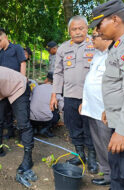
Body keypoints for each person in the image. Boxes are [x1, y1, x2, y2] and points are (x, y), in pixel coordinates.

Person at [50, 15, 98, 174]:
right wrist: (54, 94)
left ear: (87, 29)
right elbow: (58, 73)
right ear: (69, 31)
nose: (78, 32)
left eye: (81, 28)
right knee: (72, 125)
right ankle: (80, 154)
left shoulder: (96, 44)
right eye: (74, 29)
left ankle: (92, 156)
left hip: (90, 97)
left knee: (90, 127)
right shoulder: (63, 48)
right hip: (70, 95)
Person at [90, 0, 124, 189]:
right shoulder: (117, 46)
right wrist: (110, 109)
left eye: (99, 25)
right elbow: (119, 85)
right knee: (116, 172)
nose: (97, 31)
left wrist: (123, 131)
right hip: (119, 122)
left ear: (115, 19)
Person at [80, 29, 113, 186]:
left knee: (110, 145)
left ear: (104, 37)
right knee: (99, 144)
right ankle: (108, 175)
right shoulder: (97, 55)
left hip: (105, 111)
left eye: (94, 36)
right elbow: (91, 80)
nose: (91, 39)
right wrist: (84, 102)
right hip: (92, 109)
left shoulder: (113, 55)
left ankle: (117, 178)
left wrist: (110, 107)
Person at [0, 28, 27, 139]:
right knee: (7, 111)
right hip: (4, 88)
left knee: (20, 111)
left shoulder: (17, 48)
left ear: (6, 37)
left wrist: (23, 80)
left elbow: (22, 63)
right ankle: (10, 131)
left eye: (0, 40)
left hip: (17, 86)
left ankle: (23, 134)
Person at [30, 72, 63, 137]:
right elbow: (62, 106)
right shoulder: (56, 91)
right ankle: (45, 129)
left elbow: (30, 100)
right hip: (46, 119)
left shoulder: (36, 88)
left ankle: (34, 128)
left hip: (31, 118)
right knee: (56, 112)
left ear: (46, 79)